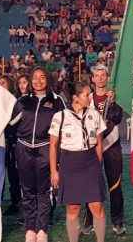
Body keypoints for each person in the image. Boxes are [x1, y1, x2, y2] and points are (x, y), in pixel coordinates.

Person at [8, 68, 66, 242]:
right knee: (27, 190)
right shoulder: (22, 101)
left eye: (42, 78)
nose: (38, 81)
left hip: (45, 149)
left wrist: (60, 157)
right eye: (34, 78)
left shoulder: (57, 101)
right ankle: (30, 228)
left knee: (44, 190)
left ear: (47, 80)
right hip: (23, 149)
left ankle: (42, 228)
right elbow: (10, 124)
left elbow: (64, 127)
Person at [49, 82, 107, 242]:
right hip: (69, 163)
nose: (90, 97)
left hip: (90, 162)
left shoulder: (94, 115)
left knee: (97, 206)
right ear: (75, 97)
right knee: (73, 208)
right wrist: (54, 171)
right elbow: (53, 145)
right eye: (86, 94)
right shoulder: (60, 116)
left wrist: (97, 164)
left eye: (90, 94)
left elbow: (99, 143)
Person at [81, 65, 126, 236]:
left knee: (115, 185)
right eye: (96, 75)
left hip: (111, 146)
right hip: (91, 147)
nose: (100, 78)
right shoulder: (87, 98)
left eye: (103, 75)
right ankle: (89, 220)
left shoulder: (114, 97)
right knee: (90, 185)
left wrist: (113, 102)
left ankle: (118, 222)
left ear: (107, 78)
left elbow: (117, 117)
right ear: (92, 79)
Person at [0, 76, 22, 217]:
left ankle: (16, 203)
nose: (0, 85)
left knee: (14, 175)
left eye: (3, 83)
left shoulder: (15, 102)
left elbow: (14, 122)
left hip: (12, 143)